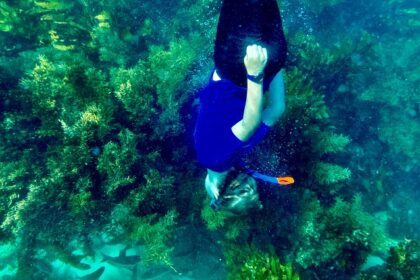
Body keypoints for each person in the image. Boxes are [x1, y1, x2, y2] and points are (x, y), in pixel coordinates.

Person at [194, 0, 288, 204]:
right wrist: (253, 73)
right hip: (237, 62)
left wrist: (270, 69)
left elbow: (277, 109)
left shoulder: (238, 154)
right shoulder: (213, 158)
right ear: (217, 192)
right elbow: (249, 123)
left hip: (271, 60)